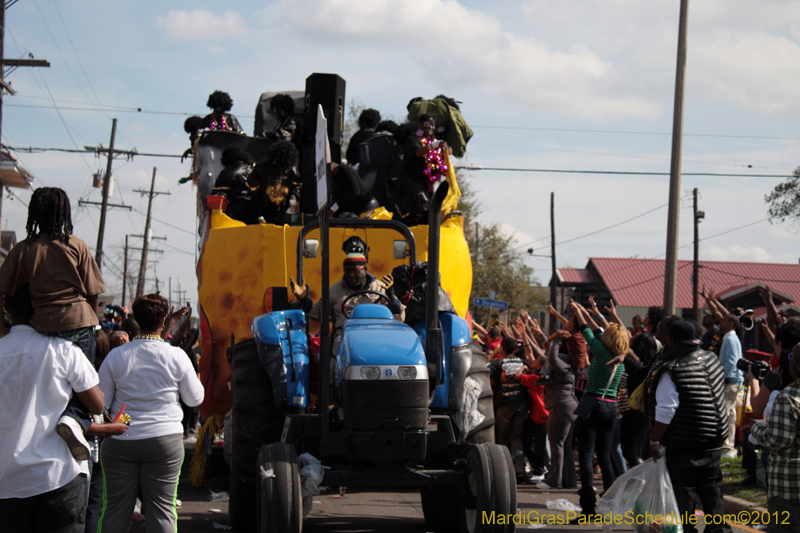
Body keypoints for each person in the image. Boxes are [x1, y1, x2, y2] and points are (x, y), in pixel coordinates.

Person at [0, 286, 125, 533]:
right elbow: (97, 404)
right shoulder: (63, 350)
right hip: (58, 476)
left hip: (7, 482)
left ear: (7, 309)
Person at [0, 187, 107, 459]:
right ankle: (75, 422)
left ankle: (52, 429)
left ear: (34, 214)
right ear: (64, 213)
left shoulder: (24, 249)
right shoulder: (77, 245)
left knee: (53, 382)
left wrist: (3, 330)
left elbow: (4, 289)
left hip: (45, 326)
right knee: (84, 386)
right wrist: (92, 324)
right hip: (80, 321)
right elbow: (94, 293)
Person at [97, 294, 204, 533]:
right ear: (164, 320)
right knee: (162, 510)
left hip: (121, 438)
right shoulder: (176, 356)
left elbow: (101, 403)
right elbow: (194, 399)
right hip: (164, 441)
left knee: (115, 510)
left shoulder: (117, 356)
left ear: (136, 318)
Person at [647, 320, 731, 533]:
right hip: (714, 439)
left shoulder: (671, 368)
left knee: (684, 493)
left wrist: (655, 439)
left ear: (673, 341)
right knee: (711, 489)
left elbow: (666, 409)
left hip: (684, 443)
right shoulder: (712, 359)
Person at [570, 301, 628, 520]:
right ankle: (608, 505)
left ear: (609, 338)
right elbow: (599, 331)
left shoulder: (601, 352)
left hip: (592, 403)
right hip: (611, 407)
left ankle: (588, 509)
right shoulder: (621, 357)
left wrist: (579, 311)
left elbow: (587, 329)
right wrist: (598, 315)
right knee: (604, 458)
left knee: (586, 456)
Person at [289, 252, 403, 354]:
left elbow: (399, 318)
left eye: (355, 271)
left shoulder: (381, 288)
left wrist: (392, 297)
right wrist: (304, 299)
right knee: (341, 357)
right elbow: (317, 312)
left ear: (365, 269)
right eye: (347, 271)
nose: (351, 275)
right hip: (344, 337)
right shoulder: (334, 291)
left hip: (376, 336)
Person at [748, 343, 800, 532]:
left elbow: (778, 440)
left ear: (793, 368)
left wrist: (755, 429)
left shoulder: (788, 397)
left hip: (790, 486)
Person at [533, 331, 580, 490]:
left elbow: (552, 358)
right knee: (565, 446)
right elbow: (548, 356)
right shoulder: (569, 366)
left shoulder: (563, 366)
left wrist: (558, 339)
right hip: (567, 408)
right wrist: (548, 338)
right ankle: (568, 480)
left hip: (560, 408)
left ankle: (554, 480)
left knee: (556, 445)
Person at [490, 337, 529, 484]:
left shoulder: (497, 363)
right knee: (516, 438)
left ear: (501, 348)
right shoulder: (522, 362)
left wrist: (494, 355)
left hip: (504, 404)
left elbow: (485, 370)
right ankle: (519, 471)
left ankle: (504, 470)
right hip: (521, 404)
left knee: (503, 438)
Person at [719, 313, 744, 458]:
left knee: (725, 414)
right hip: (733, 380)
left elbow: (733, 362)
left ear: (731, 324)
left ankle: (727, 448)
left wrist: (722, 377)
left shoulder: (730, 339)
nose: (720, 322)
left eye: (724, 320)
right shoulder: (729, 338)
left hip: (731, 380)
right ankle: (729, 446)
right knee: (730, 415)